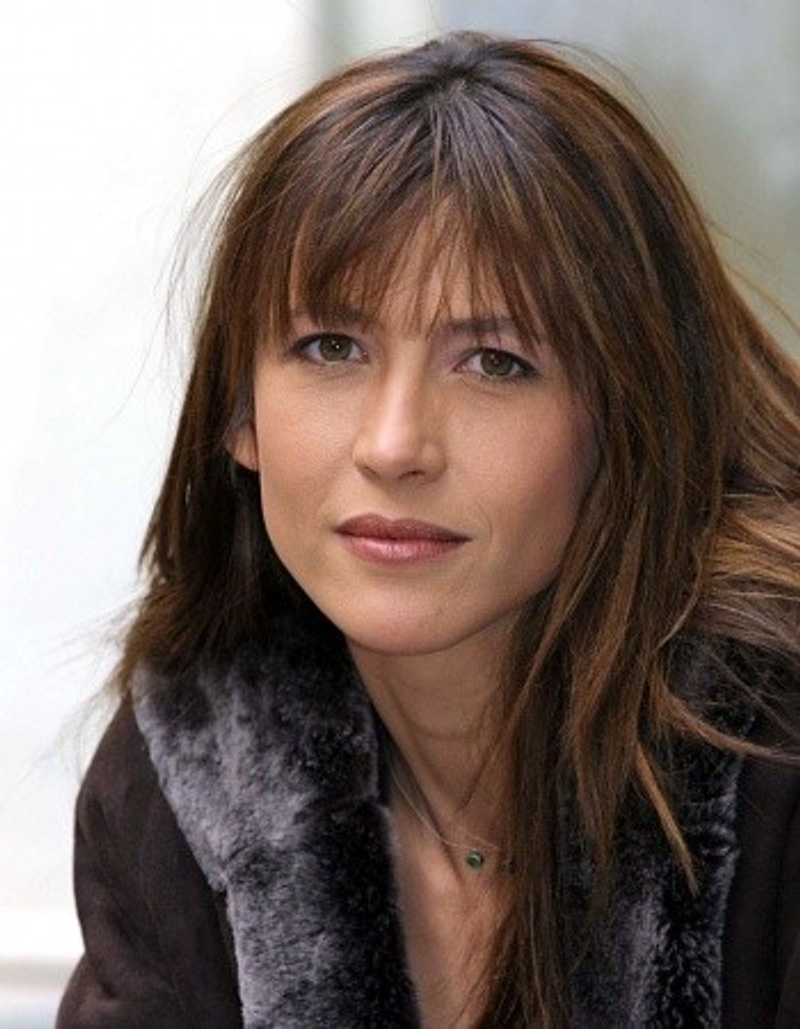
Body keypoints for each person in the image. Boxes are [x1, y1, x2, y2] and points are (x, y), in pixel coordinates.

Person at [57, 31, 800, 1029]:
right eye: (330, 347)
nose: (394, 445)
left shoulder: (774, 756)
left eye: (494, 362)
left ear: (628, 420)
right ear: (240, 416)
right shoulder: (192, 770)